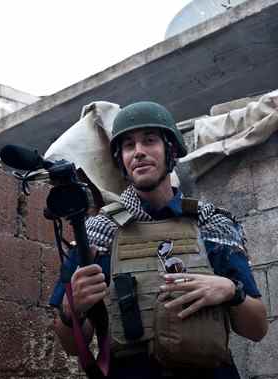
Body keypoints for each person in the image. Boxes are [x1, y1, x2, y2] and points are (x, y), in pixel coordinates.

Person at [50, 101, 268, 378]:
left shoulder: (211, 224)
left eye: (149, 141)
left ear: (171, 150)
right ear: (120, 159)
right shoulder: (97, 233)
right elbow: (70, 345)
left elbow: (257, 329)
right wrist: (72, 311)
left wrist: (231, 290)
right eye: (129, 146)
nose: (138, 152)